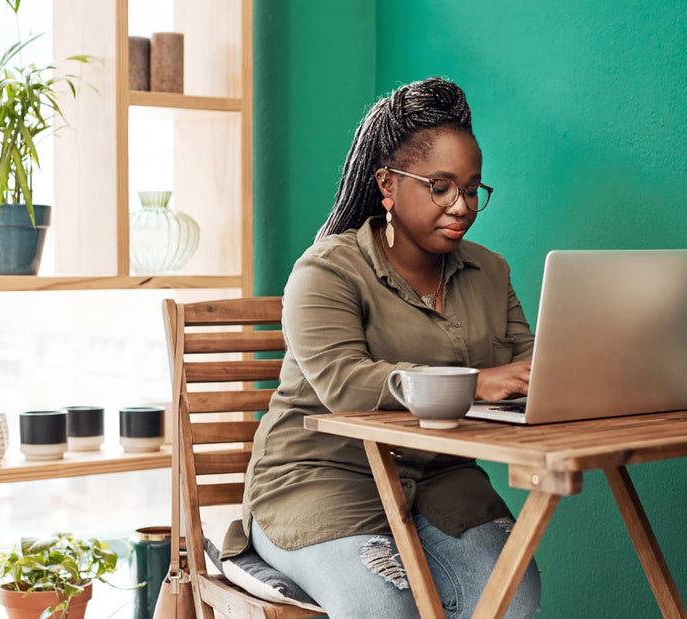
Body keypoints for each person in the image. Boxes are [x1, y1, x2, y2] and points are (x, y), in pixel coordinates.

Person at [223, 77, 541, 618]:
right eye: (440, 187)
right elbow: (345, 384)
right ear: (388, 184)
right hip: (324, 478)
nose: (460, 205)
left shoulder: (490, 271)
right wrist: (477, 382)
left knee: (512, 599)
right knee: (387, 608)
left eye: (471, 189)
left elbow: (531, 365)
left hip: (443, 478)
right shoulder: (326, 271)